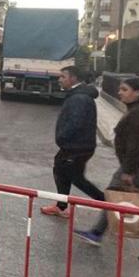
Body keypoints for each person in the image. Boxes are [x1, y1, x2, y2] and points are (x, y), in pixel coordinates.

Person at [75, 77, 139, 267]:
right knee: (113, 196)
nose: (120, 92)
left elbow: (136, 145)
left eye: (124, 89)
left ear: (138, 93)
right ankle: (96, 232)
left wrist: (128, 171)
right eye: (120, 89)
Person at [41, 66, 103, 217]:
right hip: (76, 145)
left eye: (63, 77)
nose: (59, 80)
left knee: (76, 178)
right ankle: (61, 206)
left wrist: (62, 137)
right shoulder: (77, 94)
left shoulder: (79, 98)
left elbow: (75, 123)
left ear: (73, 78)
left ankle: (108, 204)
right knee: (61, 170)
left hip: (77, 146)